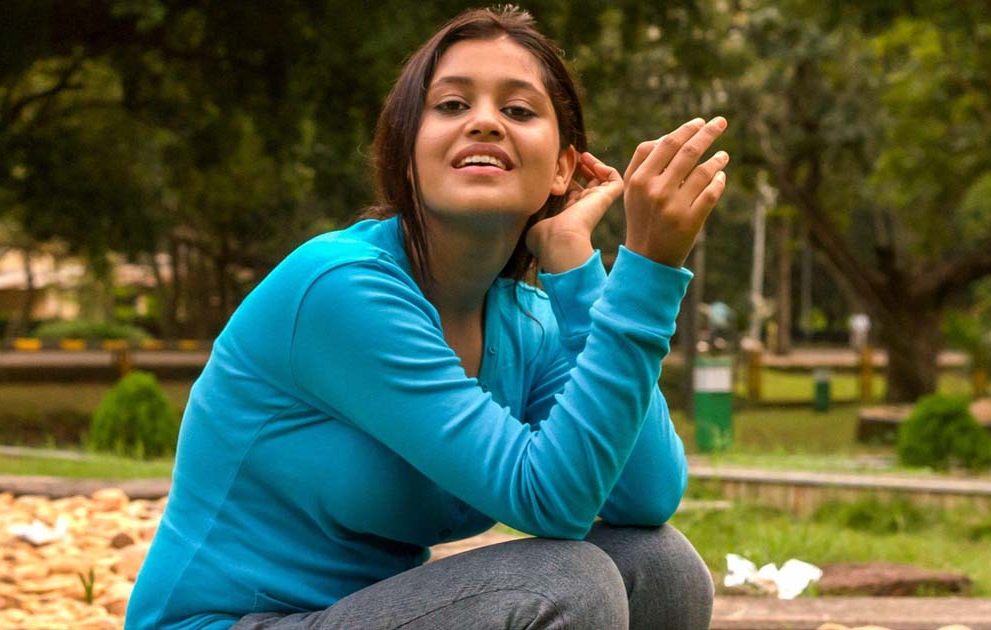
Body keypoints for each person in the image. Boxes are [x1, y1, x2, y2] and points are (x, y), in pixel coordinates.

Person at [126, 7, 729, 629]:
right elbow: (550, 501)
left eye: (519, 110)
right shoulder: (341, 288)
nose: (485, 123)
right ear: (408, 155)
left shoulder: (528, 321)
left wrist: (581, 279)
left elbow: (647, 494)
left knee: (660, 567)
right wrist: (648, 275)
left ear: (562, 170)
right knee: (564, 583)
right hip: (229, 624)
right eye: (450, 106)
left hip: (355, 617)